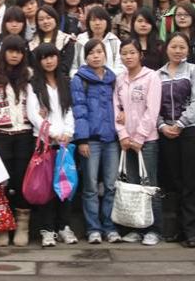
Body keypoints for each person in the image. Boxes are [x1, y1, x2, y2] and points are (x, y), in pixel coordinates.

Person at [157, 32, 195, 248]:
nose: (178, 51)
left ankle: (192, 231)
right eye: (174, 46)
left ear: (188, 49)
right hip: (167, 132)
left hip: (191, 131)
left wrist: (180, 124)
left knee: (191, 182)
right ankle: (180, 230)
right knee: (175, 182)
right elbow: (153, 105)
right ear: (166, 48)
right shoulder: (157, 74)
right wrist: (162, 125)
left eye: (182, 47)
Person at [26, 43, 77, 247]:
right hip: (45, 143)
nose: (49, 61)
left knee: (65, 184)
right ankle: (47, 230)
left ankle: (64, 226)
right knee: (46, 186)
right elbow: (33, 114)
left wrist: (68, 132)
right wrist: (53, 133)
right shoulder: (34, 85)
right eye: (44, 58)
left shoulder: (65, 82)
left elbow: (70, 110)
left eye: (52, 56)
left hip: (65, 143)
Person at [113, 39, 163, 245]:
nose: (128, 56)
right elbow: (116, 108)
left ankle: (154, 229)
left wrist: (140, 136)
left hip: (147, 141)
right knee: (132, 185)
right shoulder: (120, 79)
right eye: (124, 53)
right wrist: (123, 135)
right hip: (126, 141)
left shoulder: (151, 77)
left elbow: (153, 110)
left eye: (132, 52)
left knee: (148, 185)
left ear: (140, 54)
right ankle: (135, 227)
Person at [71, 39, 121, 244]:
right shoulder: (79, 79)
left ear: (105, 55)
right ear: (86, 57)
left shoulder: (113, 78)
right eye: (91, 53)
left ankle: (109, 227)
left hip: (112, 140)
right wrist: (82, 139)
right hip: (90, 140)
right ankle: (93, 228)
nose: (96, 56)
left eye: (99, 52)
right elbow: (79, 110)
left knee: (110, 185)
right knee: (90, 186)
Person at [0, 35, 34, 247]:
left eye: (19, 52)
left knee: (22, 180)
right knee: (0, 180)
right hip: (0, 133)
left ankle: (22, 225)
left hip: (24, 132)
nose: (15, 55)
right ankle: (1, 224)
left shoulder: (30, 74)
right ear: (3, 52)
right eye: (11, 51)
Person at [72, 6, 123, 76]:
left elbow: (121, 67)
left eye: (101, 20)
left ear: (107, 22)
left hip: (109, 80)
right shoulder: (80, 40)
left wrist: (103, 76)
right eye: (93, 20)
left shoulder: (114, 41)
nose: (97, 23)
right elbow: (73, 67)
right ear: (88, 23)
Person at [29, 5, 74, 77]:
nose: (45, 22)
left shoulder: (66, 40)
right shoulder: (31, 43)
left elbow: (65, 67)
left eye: (49, 18)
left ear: (55, 19)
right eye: (41, 19)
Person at [0, 6, 27, 74]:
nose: (14, 25)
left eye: (18, 21)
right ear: (4, 23)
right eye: (10, 21)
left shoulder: (26, 43)